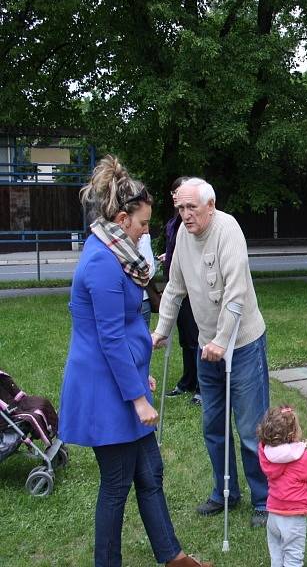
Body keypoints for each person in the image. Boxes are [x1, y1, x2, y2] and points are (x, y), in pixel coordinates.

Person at [58, 155, 211, 567]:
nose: (148, 231)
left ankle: (172, 556)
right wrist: (138, 398)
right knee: (115, 484)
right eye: (143, 224)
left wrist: (141, 376)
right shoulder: (102, 263)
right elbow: (109, 340)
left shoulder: (116, 251)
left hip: (122, 383)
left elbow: (124, 326)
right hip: (104, 391)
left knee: (150, 472)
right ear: (122, 219)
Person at [152, 177, 270, 528]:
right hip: (208, 349)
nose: (185, 215)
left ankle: (263, 499)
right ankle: (225, 492)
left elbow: (235, 294)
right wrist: (161, 330)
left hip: (243, 342)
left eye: (191, 208)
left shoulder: (228, 230)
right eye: (180, 208)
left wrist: (222, 340)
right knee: (213, 425)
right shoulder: (182, 238)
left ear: (210, 205)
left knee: (251, 429)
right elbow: (173, 289)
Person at [257, 405, 307, 567]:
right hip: (293, 518)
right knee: (293, 557)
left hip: (273, 514)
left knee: (276, 553)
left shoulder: (265, 453)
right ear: (293, 434)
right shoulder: (302, 458)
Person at [158, 176, 201, 405]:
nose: (175, 195)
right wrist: (169, 257)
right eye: (173, 192)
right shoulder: (175, 222)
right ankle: (187, 381)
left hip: (191, 288)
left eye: (179, 191)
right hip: (176, 286)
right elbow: (176, 249)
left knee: (196, 338)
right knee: (186, 338)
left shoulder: (192, 222)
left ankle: (202, 387)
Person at [137, 232, 156, 327]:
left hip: (141, 299)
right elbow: (149, 271)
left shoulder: (142, 237)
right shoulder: (143, 237)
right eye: (143, 223)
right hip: (140, 298)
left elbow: (147, 271)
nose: (145, 228)